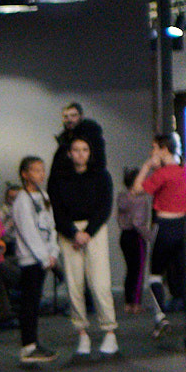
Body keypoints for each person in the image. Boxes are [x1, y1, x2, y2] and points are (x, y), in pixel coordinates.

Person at [46, 136, 117, 358]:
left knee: (100, 283)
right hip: (69, 232)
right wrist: (73, 232)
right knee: (74, 283)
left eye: (84, 149)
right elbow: (56, 210)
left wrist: (88, 232)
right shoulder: (58, 178)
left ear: (90, 152)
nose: (80, 154)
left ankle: (109, 331)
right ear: (69, 153)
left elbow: (105, 207)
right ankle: (82, 333)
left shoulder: (102, 175)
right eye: (76, 150)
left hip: (94, 230)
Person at [134, 134, 186, 321]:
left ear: (164, 149)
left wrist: (147, 166)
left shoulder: (162, 174)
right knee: (185, 273)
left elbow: (136, 189)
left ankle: (160, 317)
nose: (151, 152)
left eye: (154, 148)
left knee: (155, 274)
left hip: (165, 226)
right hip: (184, 226)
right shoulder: (185, 170)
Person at [9, 156, 59, 364]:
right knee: (29, 302)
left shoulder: (44, 196)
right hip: (31, 259)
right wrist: (42, 256)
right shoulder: (21, 200)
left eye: (42, 170)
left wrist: (53, 252)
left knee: (34, 301)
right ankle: (28, 346)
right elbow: (28, 231)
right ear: (25, 174)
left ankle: (33, 343)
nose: (41, 174)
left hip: (45, 257)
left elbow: (51, 226)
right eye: (36, 170)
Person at [116, 166, 153, 317]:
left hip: (124, 235)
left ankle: (127, 302)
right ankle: (136, 304)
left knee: (130, 270)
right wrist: (150, 236)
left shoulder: (122, 197)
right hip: (137, 236)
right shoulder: (141, 200)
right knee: (138, 272)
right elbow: (138, 223)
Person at [49, 102, 107, 192]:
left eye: (73, 115)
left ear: (81, 116)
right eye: (66, 116)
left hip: (88, 185)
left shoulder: (92, 136)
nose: (69, 119)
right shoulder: (64, 139)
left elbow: (99, 164)